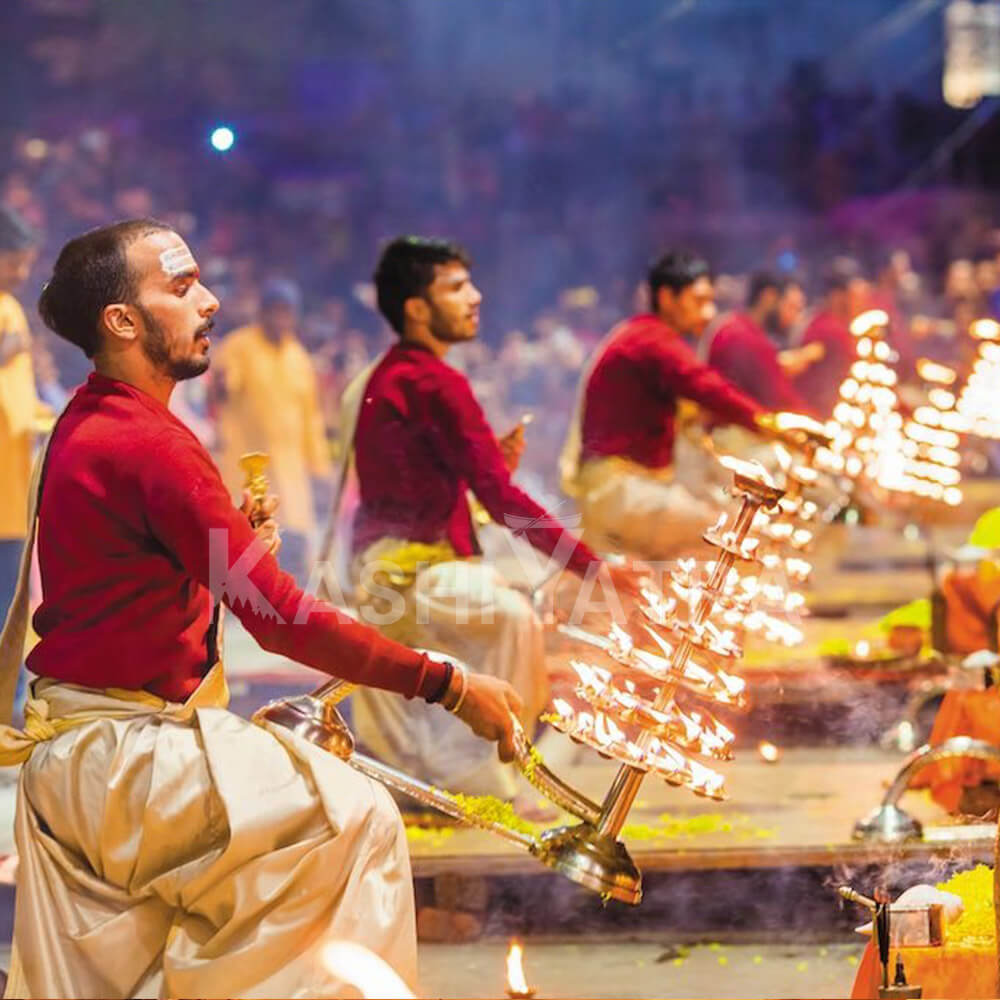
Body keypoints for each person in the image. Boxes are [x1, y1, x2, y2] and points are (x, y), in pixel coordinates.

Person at [0, 219, 522, 999]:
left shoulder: (91, 418)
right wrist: (447, 683)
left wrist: (237, 549)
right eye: (180, 288)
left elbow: (132, 584)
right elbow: (277, 619)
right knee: (359, 819)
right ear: (122, 321)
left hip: (82, 759)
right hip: (124, 766)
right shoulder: (153, 446)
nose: (210, 302)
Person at [325, 236, 639, 809]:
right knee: (513, 617)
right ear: (417, 308)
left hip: (386, 572)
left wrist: (487, 472)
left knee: (506, 601)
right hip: (407, 577)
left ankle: (461, 766)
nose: (476, 297)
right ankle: (491, 772)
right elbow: (501, 499)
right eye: (456, 287)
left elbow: (421, 491)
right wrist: (593, 568)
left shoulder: (382, 378)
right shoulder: (434, 382)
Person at [560, 250, 767, 560]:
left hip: (626, 491)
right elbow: (708, 388)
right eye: (699, 301)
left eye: (712, 302)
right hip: (622, 493)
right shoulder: (652, 341)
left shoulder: (645, 336)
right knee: (729, 534)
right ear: (667, 297)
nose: (709, 313)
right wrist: (772, 424)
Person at [212, 278, 331, 583]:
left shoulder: (299, 358)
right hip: (247, 467)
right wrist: (222, 384)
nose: (281, 319)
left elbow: (311, 418)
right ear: (262, 313)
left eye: (287, 312)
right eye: (275, 311)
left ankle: (287, 609)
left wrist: (319, 467)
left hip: (290, 473)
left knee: (292, 541)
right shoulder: (238, 347)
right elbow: (225, 390)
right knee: (244, 540)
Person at [0, 207, 41, 634]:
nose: (22, 272)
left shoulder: (10, 308)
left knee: (10, 609)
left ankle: (8, 700)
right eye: (15, 261)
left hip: (11, 491)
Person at [706, 272, 815, 413]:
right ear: (768, 297)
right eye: (791, 307)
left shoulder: (733, 325)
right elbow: (782, 400)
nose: (795, 318)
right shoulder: (746, 338)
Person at [791, 257, 871, 417]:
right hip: (821, 417)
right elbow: (801, 360)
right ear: (838, 296)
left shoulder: (836, 324)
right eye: (854, 295)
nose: (861, 301)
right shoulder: (827, 329)